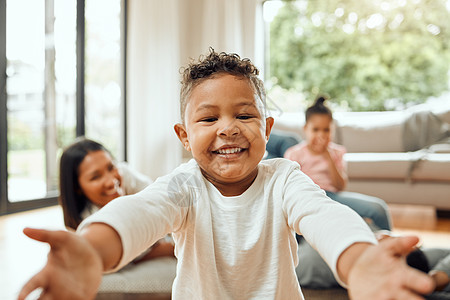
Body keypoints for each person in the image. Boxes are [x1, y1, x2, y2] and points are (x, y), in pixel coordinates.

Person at [18, 49, 434, 300]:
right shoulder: (183, 187)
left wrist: (359, 259)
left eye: (244, 114)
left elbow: (326, 216)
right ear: (184, 136)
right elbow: (138, 212)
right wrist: (91, 249)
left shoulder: (285, 178)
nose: (227, 128)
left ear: (267, 130)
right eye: (208, 118)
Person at [284, 95, 392, 231]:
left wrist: (327, 155)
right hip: (308, 198)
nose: (321, 135)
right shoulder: (294, 153)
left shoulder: (337, 152)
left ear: (332, 129)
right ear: (305, 129)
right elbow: (290, 189)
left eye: (326, 130)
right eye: (316, 130)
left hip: (332, 196)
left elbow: (340, 186)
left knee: (378, 208)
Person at [59, 137, 174, 262]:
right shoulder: (87, 223)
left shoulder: (126, 174)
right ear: (77, 187)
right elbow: (136, 253)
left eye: (111, 167)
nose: (111, 181)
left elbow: (162, 203)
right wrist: (173, 247)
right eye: (96, 177)